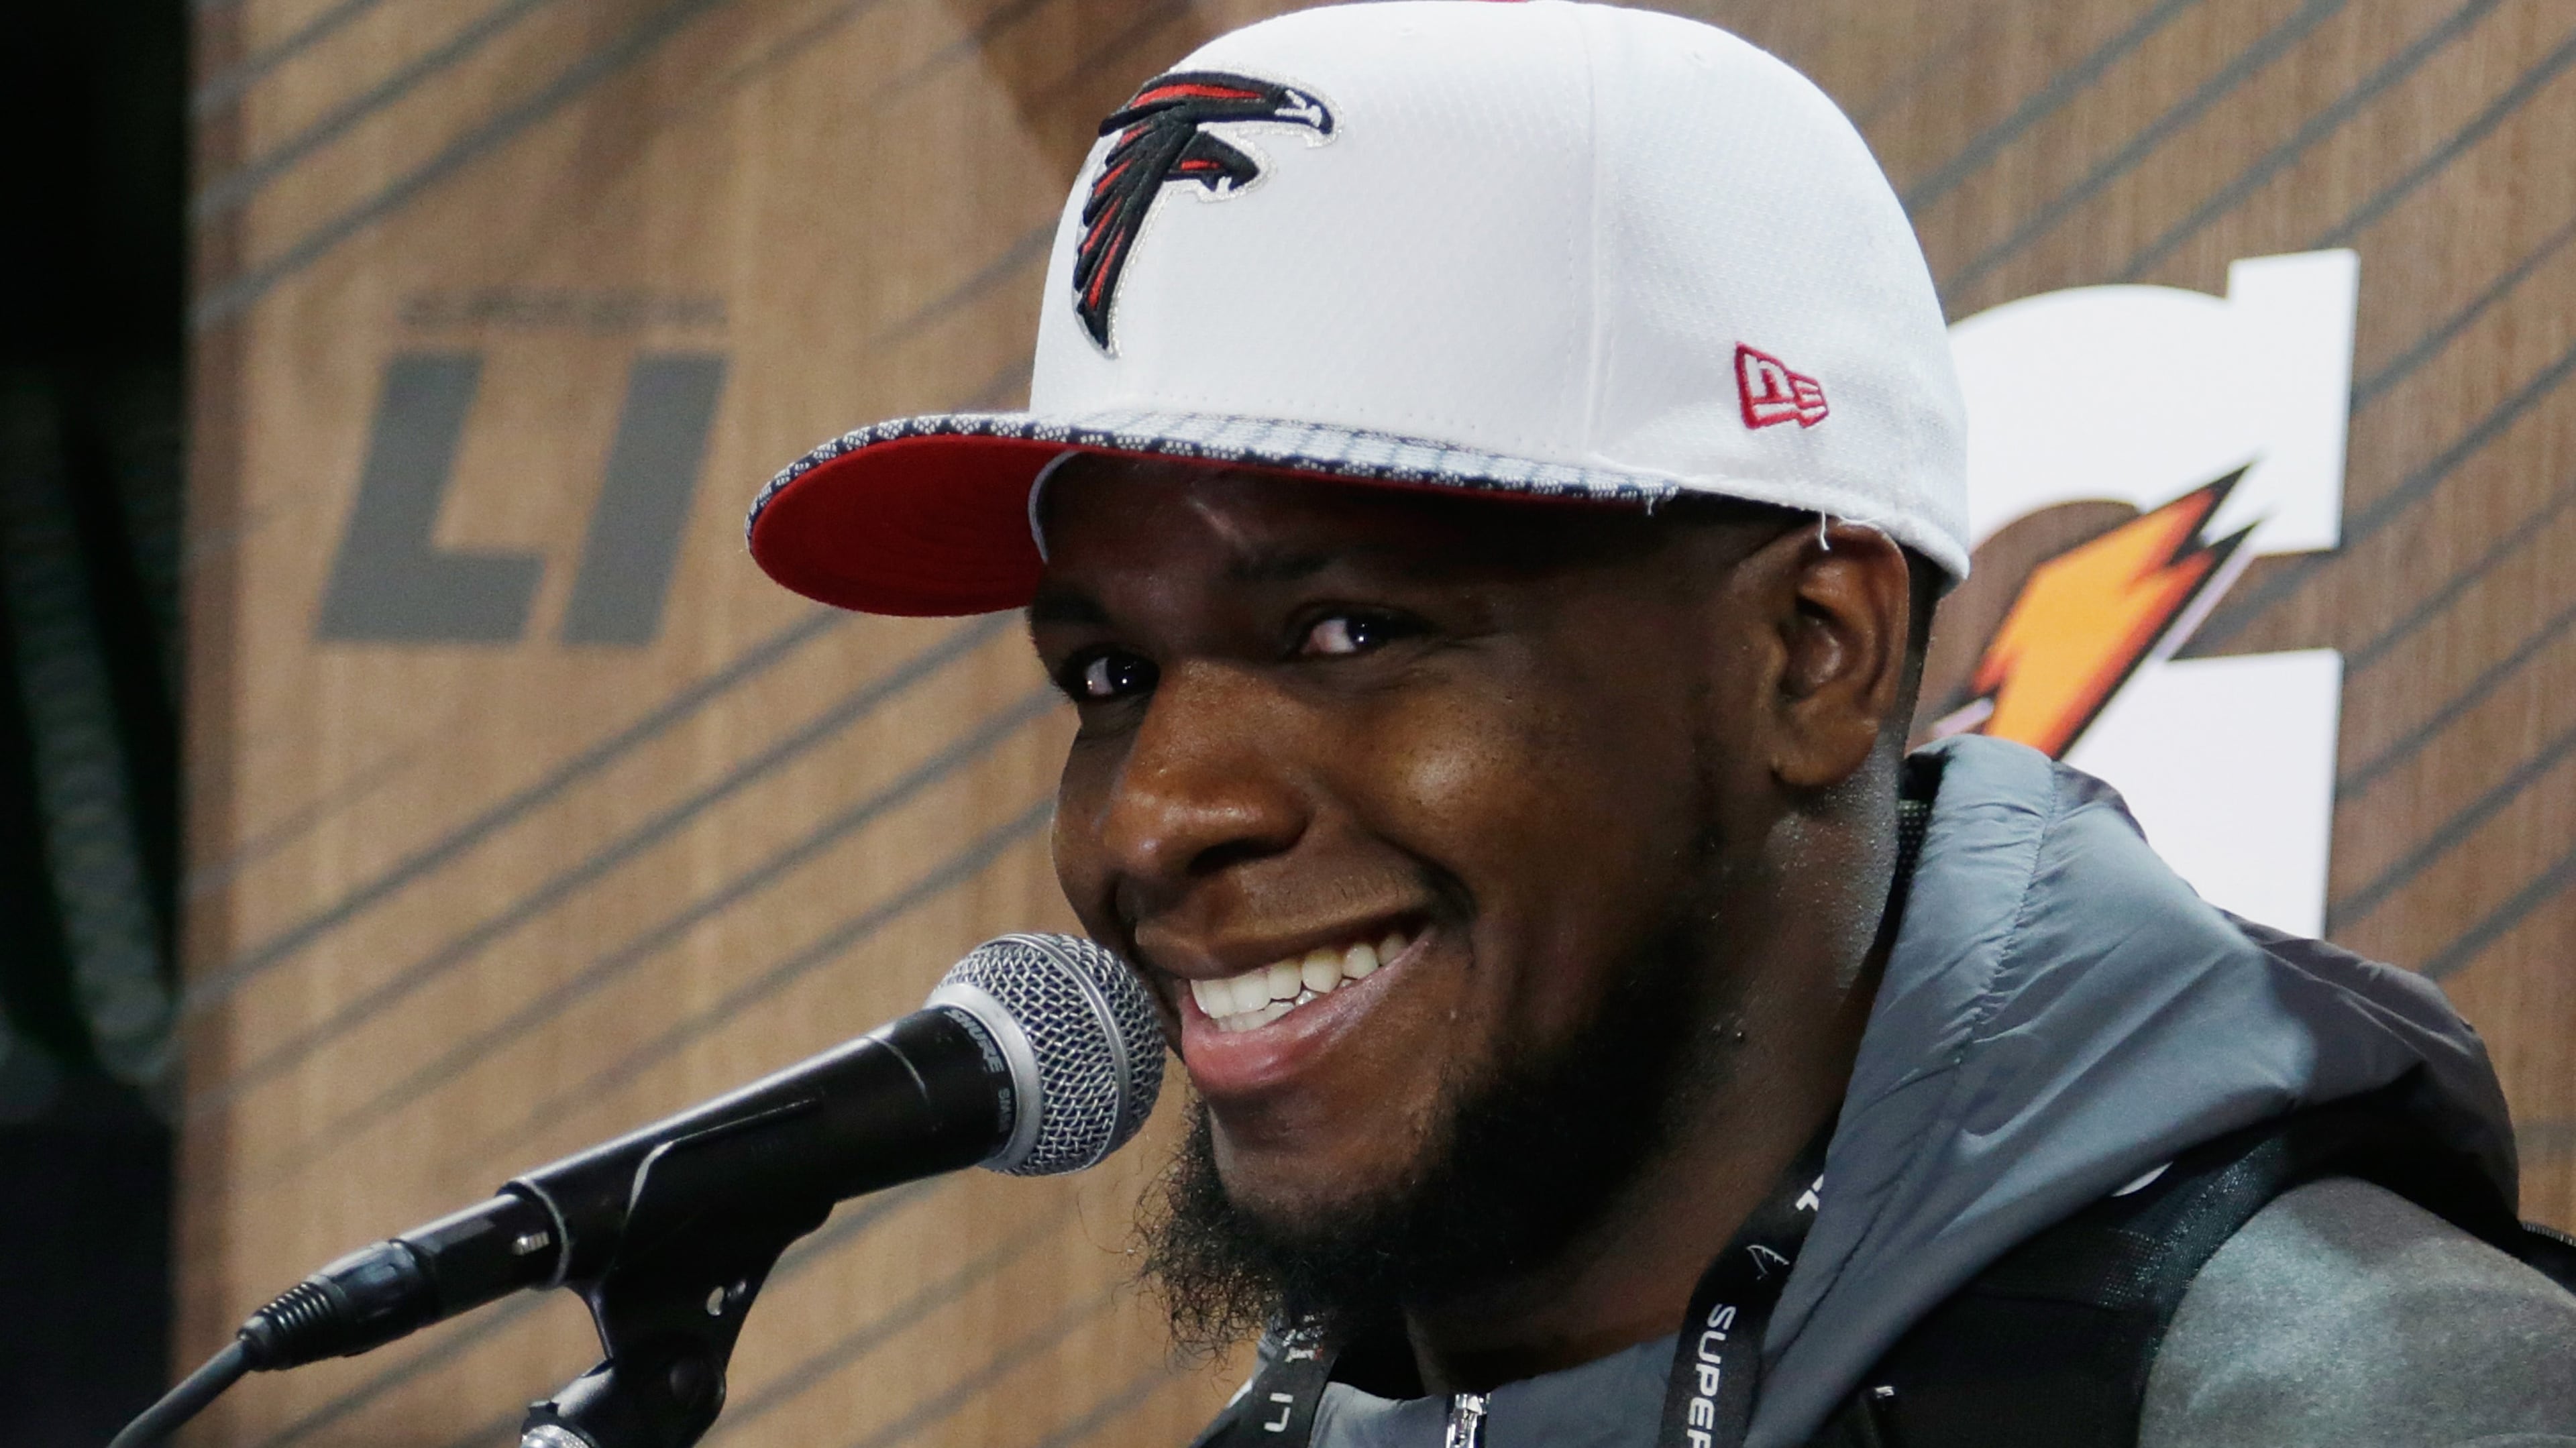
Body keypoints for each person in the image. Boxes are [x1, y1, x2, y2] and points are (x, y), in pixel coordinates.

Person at [744, 4, 2576, 1445]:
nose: (1155, 817)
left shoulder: (2365, 1397)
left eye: (1350, 629)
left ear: (1812, 655)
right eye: (1110, 677)